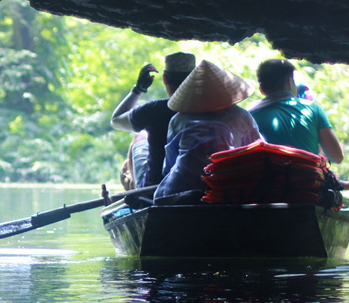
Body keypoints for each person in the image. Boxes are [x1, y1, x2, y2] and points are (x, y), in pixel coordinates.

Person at [154, 60, 262, 203]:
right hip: (226, 188)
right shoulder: (242, 116)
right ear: (225, 91)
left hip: (179, 189)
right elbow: (257, 153)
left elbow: (168, 167)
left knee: (159, 198)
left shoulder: (178, 119)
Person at [110, 52, 196, 189]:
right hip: (196, 186)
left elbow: (116, 120)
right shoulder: (208, 109)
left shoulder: (156, 109)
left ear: (165, 79)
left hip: (153, 188)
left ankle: (134, 186)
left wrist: (138, 89)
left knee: (140, 136)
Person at [249, 59, 343, 163]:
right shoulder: (312, 108)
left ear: (261, 89)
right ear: (290, 82)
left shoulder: (250, 117)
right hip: (308, 177)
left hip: (268, 178)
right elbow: (337, 157)